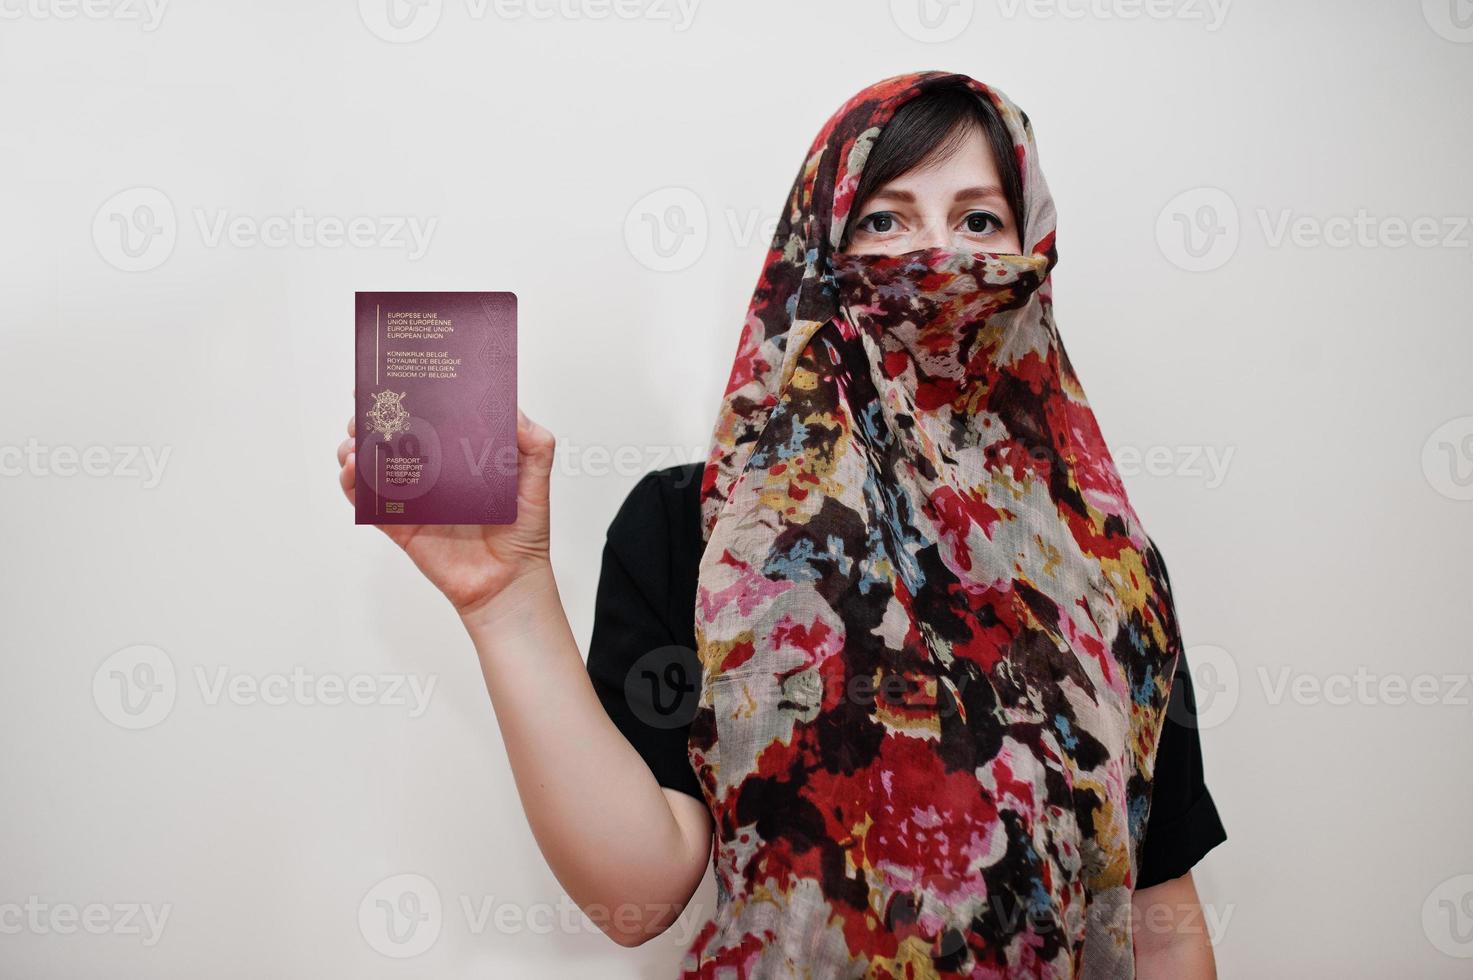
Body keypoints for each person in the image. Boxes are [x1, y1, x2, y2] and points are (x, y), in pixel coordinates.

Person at [337, 71, 1226, 979]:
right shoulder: (693, 527)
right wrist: (506, 601)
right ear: (817, 254)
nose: (934, 255)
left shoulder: (1106, 566)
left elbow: (1158, 911)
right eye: (883, 220)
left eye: (978, 222)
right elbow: (636, 897)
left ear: (1030, 254)